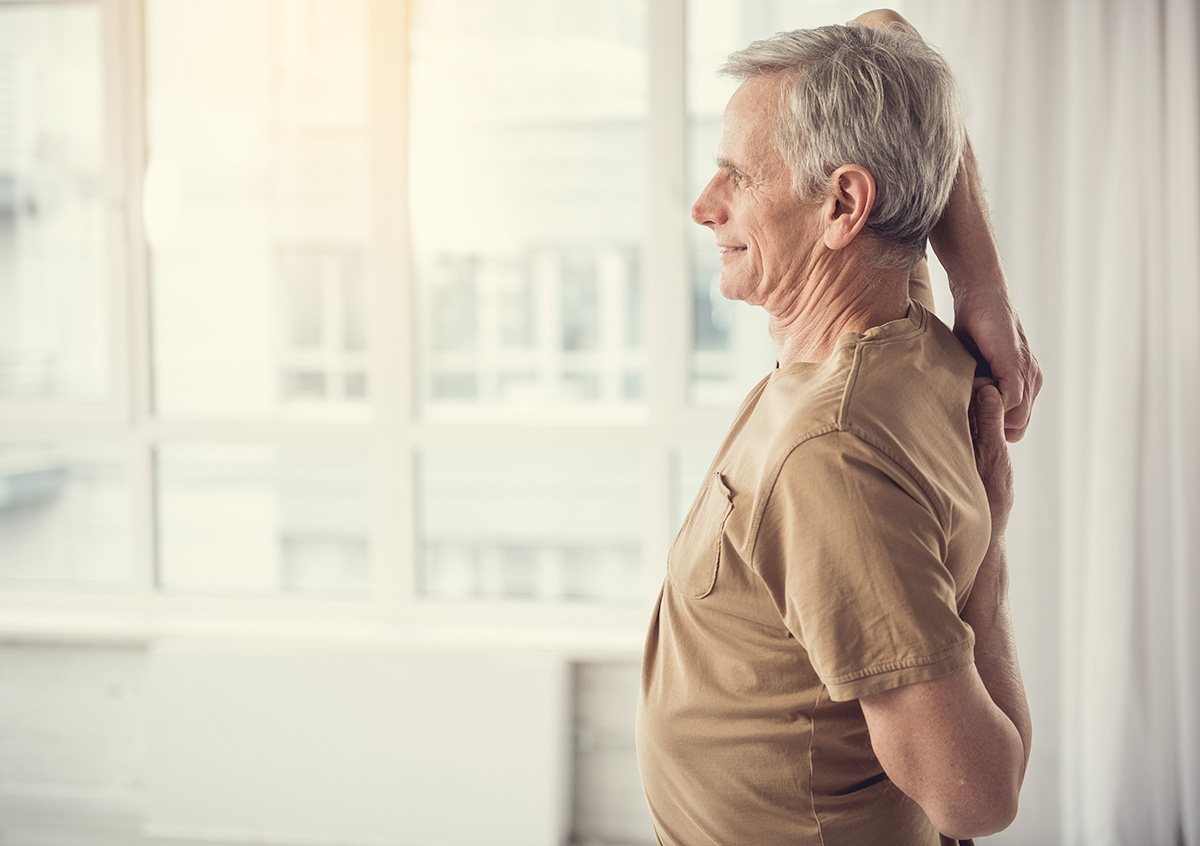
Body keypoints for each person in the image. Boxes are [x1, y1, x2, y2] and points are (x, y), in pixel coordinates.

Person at [635, 10, 1037, 845]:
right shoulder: (901, 312)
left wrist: (989, 562)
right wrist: (983, 286)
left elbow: (979, 799)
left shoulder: (833, 457)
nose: (705, 206)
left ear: (844, 205)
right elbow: (888, 30)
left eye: (737, 177)